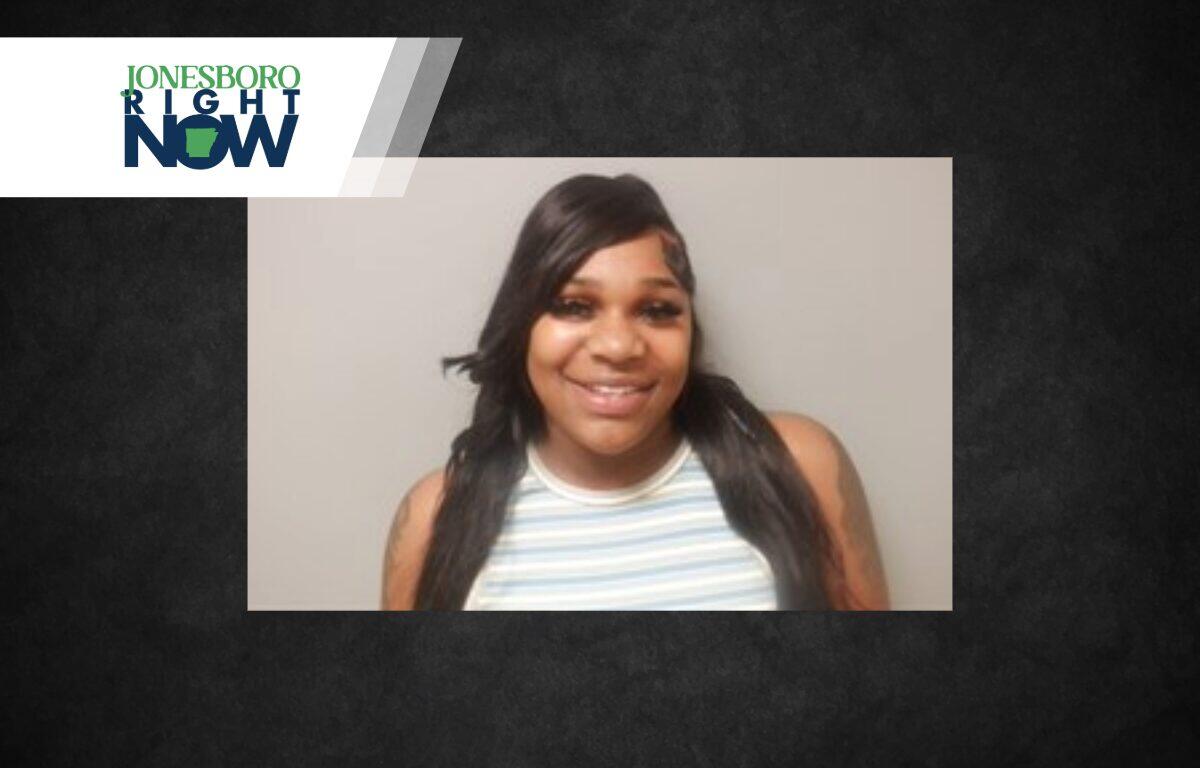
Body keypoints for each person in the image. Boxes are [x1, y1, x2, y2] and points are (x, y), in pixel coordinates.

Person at [382, 173, 888, 610]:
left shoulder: (799, 463)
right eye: (574, 306)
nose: (620, 346)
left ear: (691, 330)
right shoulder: (434, 518)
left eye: (657, 309)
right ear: (521, 326)